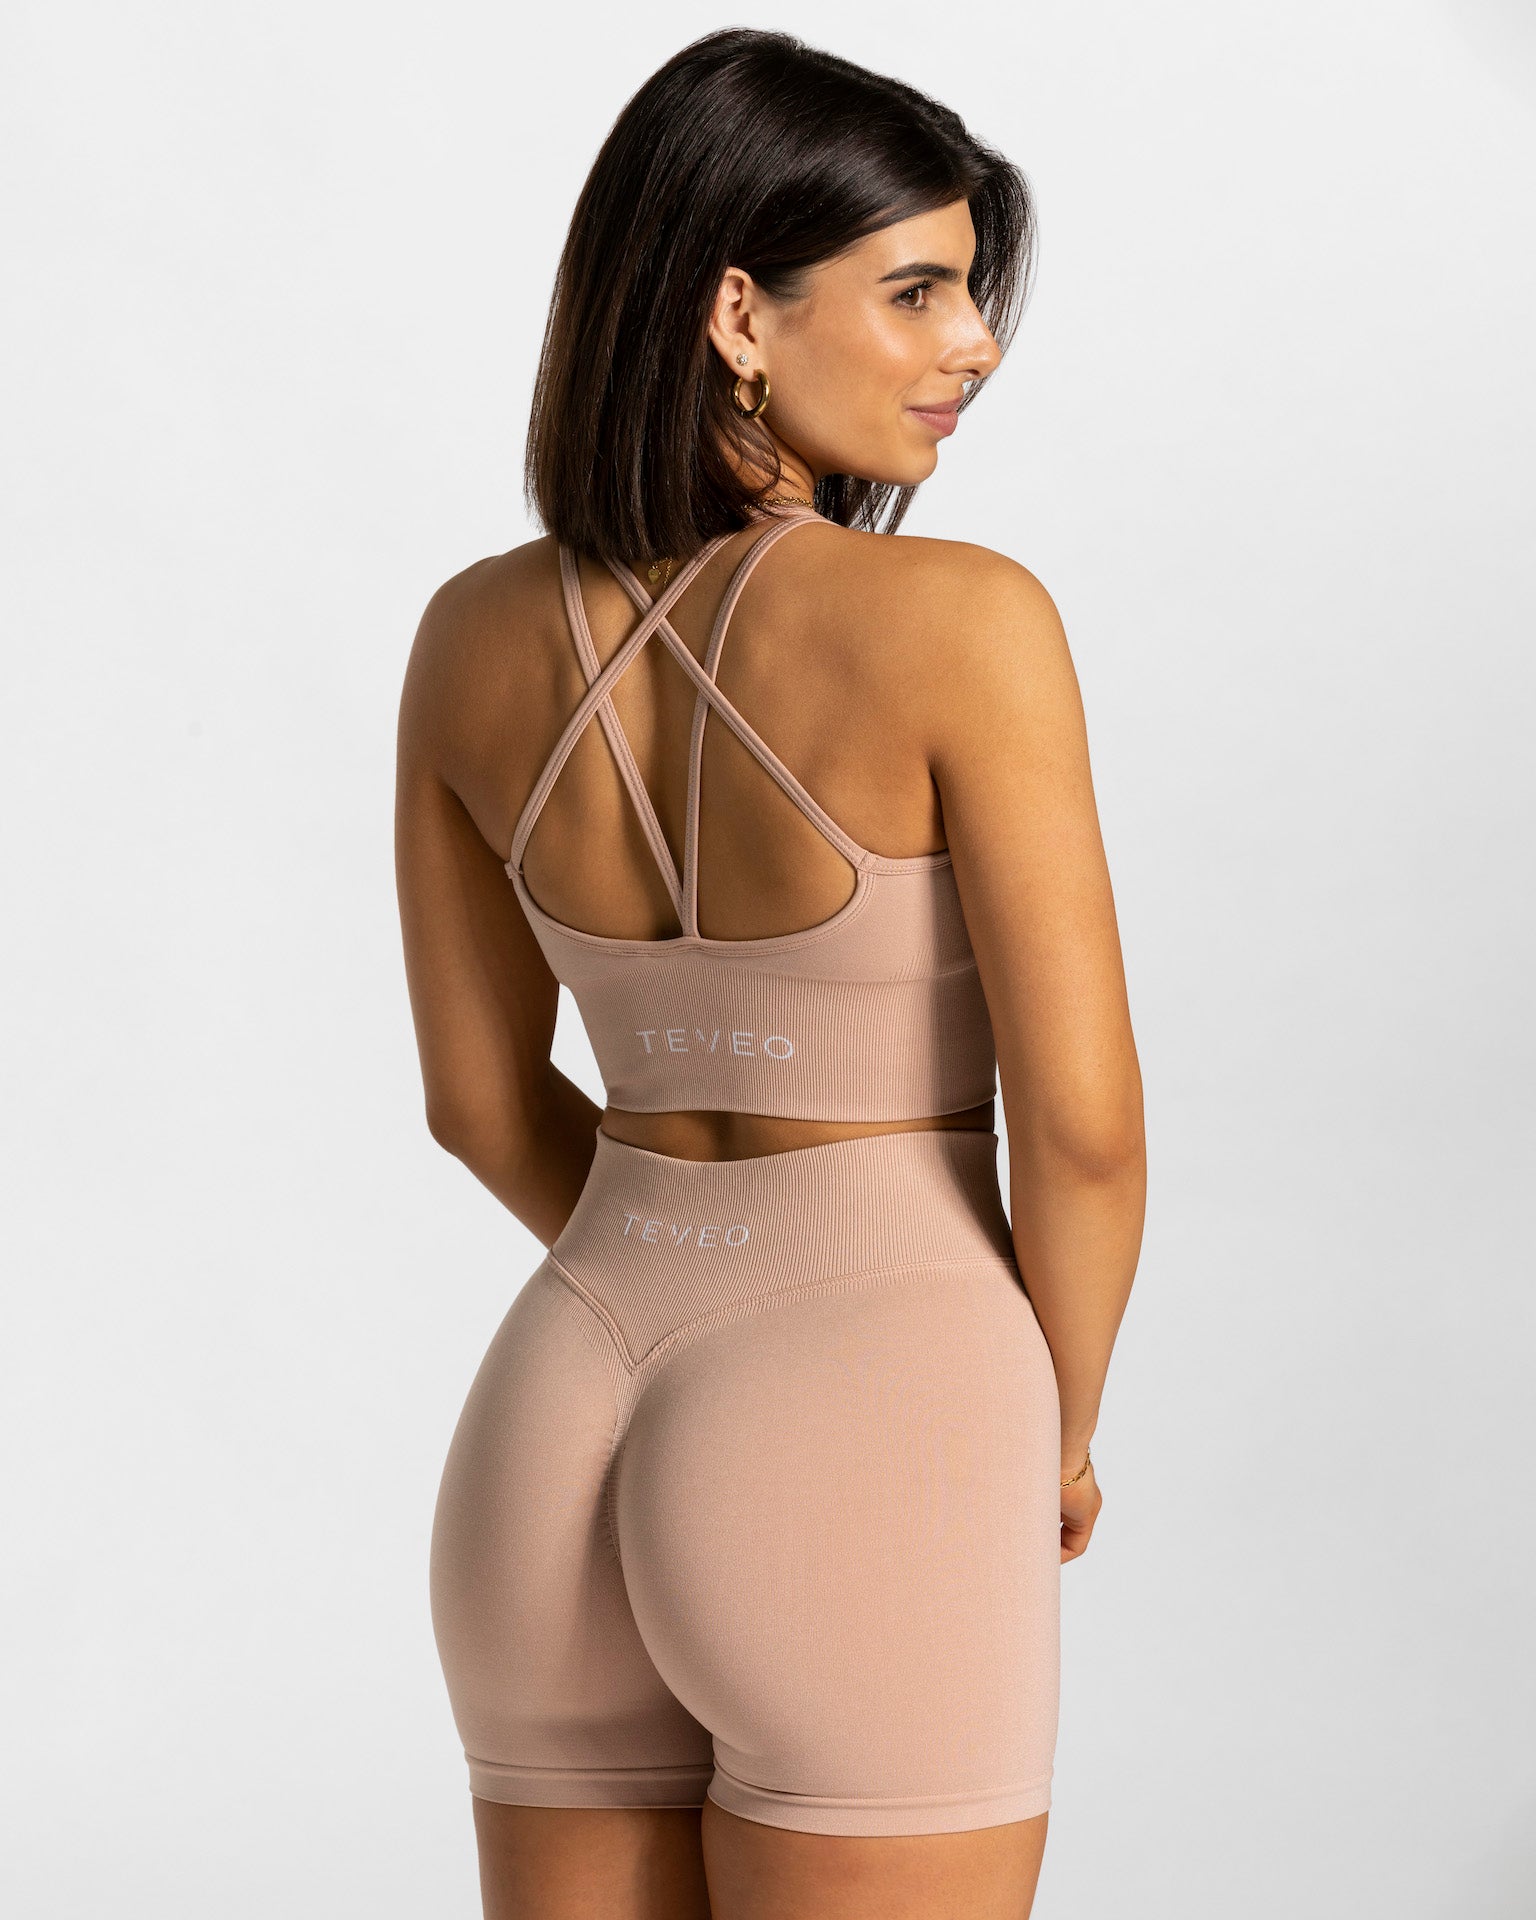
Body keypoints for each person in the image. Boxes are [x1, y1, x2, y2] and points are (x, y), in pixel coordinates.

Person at [394, 27, 1145, 1920]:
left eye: (969, 293)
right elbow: (1083, 1129)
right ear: (740, 313)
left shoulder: (467, 638)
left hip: (555, 1404)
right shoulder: (963, 621)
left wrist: (691, 1257)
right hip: (875, 1398)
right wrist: (1050, 1426)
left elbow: (476, 1103)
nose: (977, 344)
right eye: (918, 291)